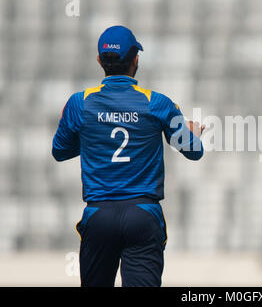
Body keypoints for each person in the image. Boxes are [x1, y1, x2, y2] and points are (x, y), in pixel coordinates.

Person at [52, 25, 205, 287]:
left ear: (100, 60)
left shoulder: (80, 102)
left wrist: (95, 137)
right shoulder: (157, 103)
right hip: (143, 215)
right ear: (136, 59)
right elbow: (194, 151)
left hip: (98, 215)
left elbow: (60, 151)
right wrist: (193, 133)